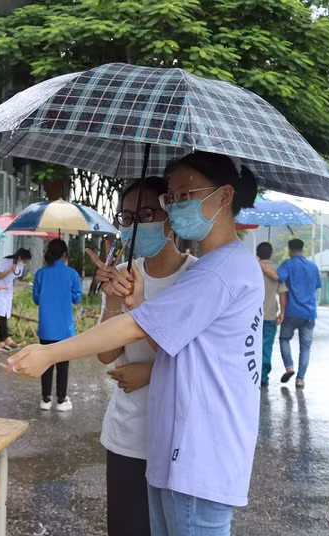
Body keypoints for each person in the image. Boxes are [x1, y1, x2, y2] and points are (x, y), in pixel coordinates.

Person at [7, 151, 262, 535]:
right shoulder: (221, 266)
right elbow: (154, 346)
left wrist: (50, 352)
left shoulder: (216, 272)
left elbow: (135, 329)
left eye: (183, 195)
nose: (176, 207)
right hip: (178, 449)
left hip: (196, 454)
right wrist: (117, 302)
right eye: (171, 198)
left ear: (224, 196)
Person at [88, 177, 196, 536]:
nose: (136, 224)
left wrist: (150, 372)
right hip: (126, 433)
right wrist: (116, 302)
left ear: (170, 216)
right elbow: (106, 355)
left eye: (147, 213)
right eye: (127, 216)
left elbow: (197, 360)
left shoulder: (196, 277)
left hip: (176, 439)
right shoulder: (121, 275)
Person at [32, 238, 81, 411]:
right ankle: (61, 399)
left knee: (46, 362)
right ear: (65, 255)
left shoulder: (41, 273)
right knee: (63, 365)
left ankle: (45, 399)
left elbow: (36, 299)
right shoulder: (72, 274)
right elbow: (77, 298)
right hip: (65, 328)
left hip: (46, 326)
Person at [275, 238, 322, 388]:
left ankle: (289, 367)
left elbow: (278, 278)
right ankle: (300, 379)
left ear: (290, 250)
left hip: (291, 312)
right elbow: (316, 287)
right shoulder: (313, 267)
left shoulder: (287, 264)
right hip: (309, 313)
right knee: (306, 347)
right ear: (302, 249)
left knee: (284, 339)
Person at [0, 248, 32, 352]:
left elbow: (14, 281)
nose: (24, 263)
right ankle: (2, 342)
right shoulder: (5, 261)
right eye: (24, 261)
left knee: (5, 316)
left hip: (7, 293)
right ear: (20, 257)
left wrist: (23, 284)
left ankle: (6, 340)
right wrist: (11, 269)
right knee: (3, 316)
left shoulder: (20, 266)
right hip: (0, 291)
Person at [256, 242, 287, 386]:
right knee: (266, 346)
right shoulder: (278, 270)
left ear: (257, 253)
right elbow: (282, 292)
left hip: (251, 317)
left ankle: (252, 375)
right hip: (269, 315)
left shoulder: (253, 267)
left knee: (250, 346)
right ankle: (263, 377)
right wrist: (283, 311)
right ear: (271, 253)